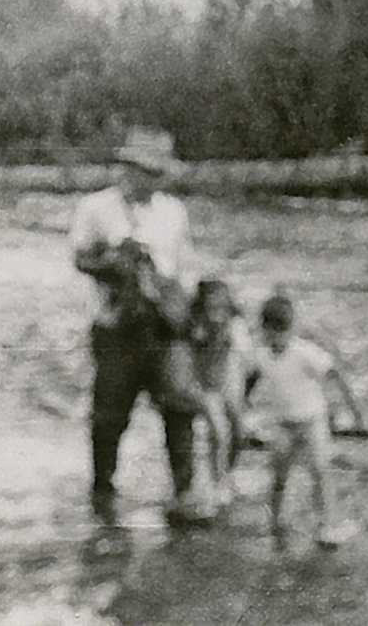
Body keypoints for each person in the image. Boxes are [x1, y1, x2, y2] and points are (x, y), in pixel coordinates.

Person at [70, 138, 208, 529]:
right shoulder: (95, 208)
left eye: (146, 171)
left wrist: (188, 310)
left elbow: (185, 266)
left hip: (165, 324)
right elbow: (80, 258)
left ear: (158, 175)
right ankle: (102, 490)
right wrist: (116, 260)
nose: (136, 177)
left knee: (179, 408)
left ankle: (184, 492)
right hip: (116, 324)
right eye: (131, 168)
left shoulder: (173, 211)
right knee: (109, 414)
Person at [251, 289, 365, 551]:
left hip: (311, 421)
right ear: (264, 329)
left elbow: (335, 374)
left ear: (291, 329)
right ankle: (276, 521)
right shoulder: (261, 355)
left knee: (319, 472)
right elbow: (253, 378)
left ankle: (327, 524)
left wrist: (356, 413)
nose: (276, 338)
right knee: (278, 474)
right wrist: (244, 407)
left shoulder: (304, 352)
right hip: (282, 423)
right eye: (271, 332)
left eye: (282, 331)